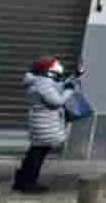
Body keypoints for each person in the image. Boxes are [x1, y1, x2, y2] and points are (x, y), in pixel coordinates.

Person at [14, 57, 83, 193]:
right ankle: (28, 184)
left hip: (42, 121)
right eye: (56, 64)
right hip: (43, 122)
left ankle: (22, 181)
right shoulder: (43, 83)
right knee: (37, 155)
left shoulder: (42, 81)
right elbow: (57, 100)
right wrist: (69, 91)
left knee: (35, 152)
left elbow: (58, 87)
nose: (59, 65)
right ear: (49, 68)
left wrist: (74, 76)